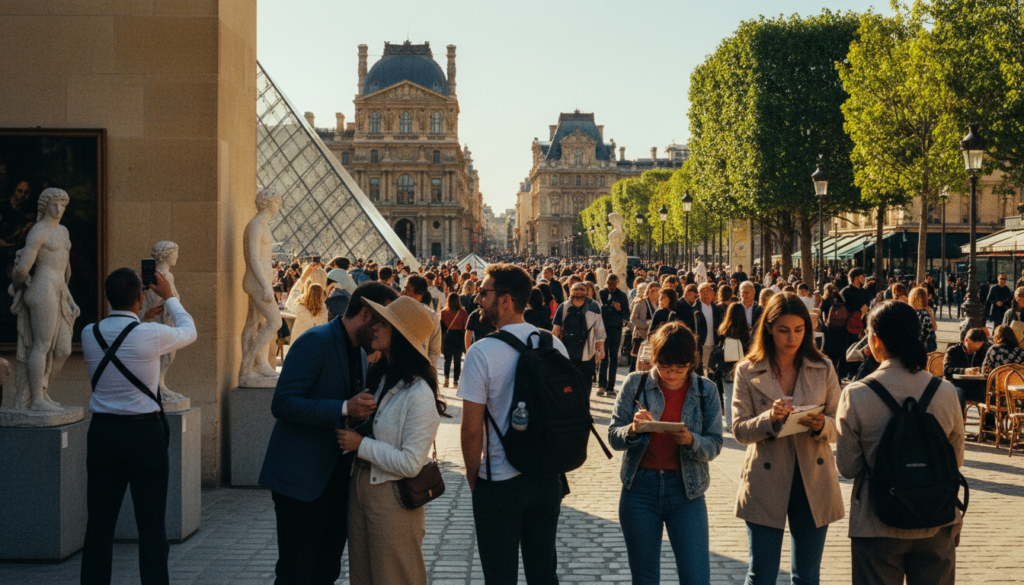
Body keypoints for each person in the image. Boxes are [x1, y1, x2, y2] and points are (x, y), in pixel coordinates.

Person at [258, 282, 398, 585]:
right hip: (301, 481)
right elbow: (282, 403)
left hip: (336, 481)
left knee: (326, 571)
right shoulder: (316, 341)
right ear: (365, 313)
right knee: (296, 572)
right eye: (383, 320)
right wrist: (345, 407)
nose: (383, 329)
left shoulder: (359, 350)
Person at [80, 268, 197, 585]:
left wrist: (142, 319)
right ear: (140, 296)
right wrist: (170, 296)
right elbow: (189, 331)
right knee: (151, 526)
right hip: (144, 436)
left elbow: (123, 343)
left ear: (108, 297)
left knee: (99, 526)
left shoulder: (89, 333)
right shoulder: (150, 335)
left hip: (103, 433)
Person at [836, 301, 965, 585]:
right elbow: (955, 460)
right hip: (937, 518)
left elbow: (847, 467)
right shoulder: (945, 391)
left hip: (877, 521)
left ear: (875, 340)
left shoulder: (856, 394)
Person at [458, 264, 570, 585]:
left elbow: (471, 429)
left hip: (500, 479)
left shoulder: (481, 352)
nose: (477, 299)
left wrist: (473, 477)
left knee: (500, 576)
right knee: (543, 574)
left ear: (505, 300)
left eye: (484, 293)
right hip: (547, 479)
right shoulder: (553, 344)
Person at [732, 293, 844, 585]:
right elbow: (739, 430)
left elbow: (841, 424)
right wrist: (769, 419)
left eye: (799, 330)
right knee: (760, 575)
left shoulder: (823, 367)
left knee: (807, 576)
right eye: (783, 330)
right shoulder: (747, 369)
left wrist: (821, 425)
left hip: (814, 479)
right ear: (769, 328)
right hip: (765, 478)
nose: (792, 338)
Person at [334, 296, 445, 585]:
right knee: (363, 577)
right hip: (361, 490)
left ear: (401, 335)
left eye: (383, 323)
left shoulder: (419, 394)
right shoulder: (382, 377)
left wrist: (361, 445)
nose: (374, 326)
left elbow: (410, 463)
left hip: (393, 498)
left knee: (395, 578)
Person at [607, 321, 723, 584]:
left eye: (680, 368)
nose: (671, 373)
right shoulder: (635, 383)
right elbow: (614, 435)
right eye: (665, 366)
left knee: (696, 577)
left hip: (687, 491)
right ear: (655, 358)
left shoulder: (705, 390)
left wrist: (692, 441)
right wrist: (633, 430)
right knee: (644, 577)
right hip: (640, 490)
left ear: (691, 362)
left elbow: (715, 444)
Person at [553, 282, 607, 388]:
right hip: (576, 352)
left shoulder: (592, 306)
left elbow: (599, 329)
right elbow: (556, 331)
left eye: (581, 289)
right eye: (576, 290)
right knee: (577, 383)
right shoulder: (564, 307)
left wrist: (601, 349)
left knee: (578, 383)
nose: (578, 292)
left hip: (578, 352)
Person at [718, 302, 751, 431]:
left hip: (727, 366)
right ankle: (740, 420)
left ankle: (729, 423)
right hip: (742, 367)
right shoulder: (745, 332)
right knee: (741, 395)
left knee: (728, 395)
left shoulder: (724, 330)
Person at [942, 327, 991, 413]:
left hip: (976, 386)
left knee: (988, 396)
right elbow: (947, 370)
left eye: (978, 348)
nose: (975, 349)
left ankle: (988, 421)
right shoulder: (953, 351)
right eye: (972, 347)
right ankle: (959, 420)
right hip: (958, 385)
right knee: (958, 395)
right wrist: (964, 371)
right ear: (966, 340)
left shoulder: (983, 351)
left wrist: (985, 370)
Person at [599, 274, 631, 396]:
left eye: (613, 284)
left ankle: (610, 387)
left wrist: (620, 311)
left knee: (613, 358)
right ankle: (601, 385)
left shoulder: (622, 295)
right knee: (603, 357)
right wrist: (610, 306)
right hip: (603, 329)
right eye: (609, 283)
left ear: (617, 283)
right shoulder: (602, 293)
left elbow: (626, 313)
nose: (610, 286)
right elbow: (600, 310)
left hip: (616, 329)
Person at [402, 274, 442, 368]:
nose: (403, 291)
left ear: (419, 293)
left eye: (407, 288)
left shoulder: (431, 317)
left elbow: (434, 350)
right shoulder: (396, 310)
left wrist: (430, 370)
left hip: (420, 368)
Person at [693, 283, 724, 371]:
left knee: (712, 370)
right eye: (704, 292)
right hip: (702, 345)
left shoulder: (716, 308)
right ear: (700, 293)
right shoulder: (695, 309)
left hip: (714, 344)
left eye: (709, 291)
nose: (707, 294)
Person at [441, 293, 469, 388]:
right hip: (459, 337)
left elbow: (441, 327)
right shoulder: (463, 313)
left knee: (447, 359)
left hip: (448, 337)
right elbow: (466, 327)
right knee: (457, 360)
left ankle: (446, 379)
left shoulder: (443, 312)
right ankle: (456, 380)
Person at [630, 282, 659, 372]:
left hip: (654, 337)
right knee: (636, 361)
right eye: (653, 290)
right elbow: (633, 319)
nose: (656, 292)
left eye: (658, 290)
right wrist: (646, 324)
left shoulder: (660, 304)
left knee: (649, 363)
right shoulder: (641, 303)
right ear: (648, 291)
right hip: (640, 336)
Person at [909, 287, 937, 353]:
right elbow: (934, 328)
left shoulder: (910, 311)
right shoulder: (925, 313)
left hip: (913, 347)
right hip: (926, 348)